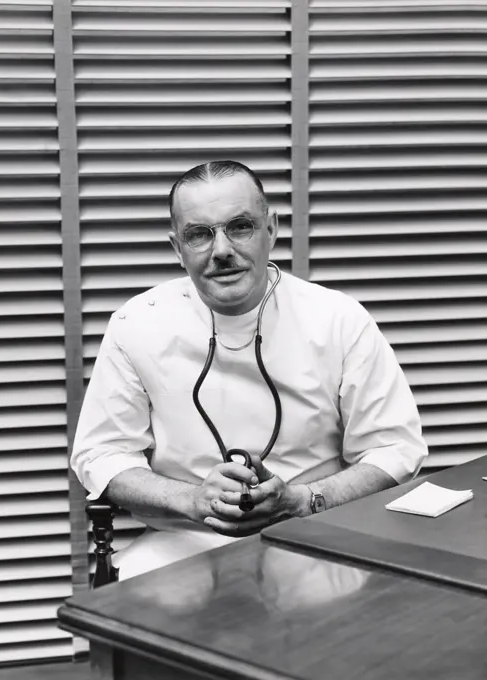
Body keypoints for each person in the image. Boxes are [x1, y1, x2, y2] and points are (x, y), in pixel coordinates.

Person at [71, 160, 428, 580]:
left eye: (239, 227)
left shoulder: (337, 318)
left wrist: (302, 500)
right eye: (199, 234)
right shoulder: (137, 324)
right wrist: (192, 500)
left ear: (271, 229)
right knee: (133, 612)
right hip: (185, 538)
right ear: (176, 247)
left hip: (315, 529)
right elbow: (101, 453)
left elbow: (395, 448)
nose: (221, 250)